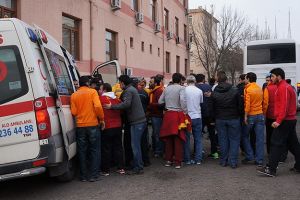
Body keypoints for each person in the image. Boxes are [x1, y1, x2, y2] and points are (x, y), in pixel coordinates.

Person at [258, 68, 300, 177]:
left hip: (285, 121)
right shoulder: (283, 87)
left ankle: (271, 169)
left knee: (275, 143)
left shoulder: (284, 87)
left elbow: (284, 106)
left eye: (272, 76)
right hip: (288, 120)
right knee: (293, 144)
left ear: (279, 76)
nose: (271, 79)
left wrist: (278, 121)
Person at [104, 75, 146, 175]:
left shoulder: (128, 91)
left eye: (120, 83)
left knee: (135, 146)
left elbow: (126, 104)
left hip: (137, 121)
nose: (119, 85)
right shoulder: (132, 89)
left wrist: (111, 106)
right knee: (136, 145)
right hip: (138, 120)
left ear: (123, 83)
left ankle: (138, 167)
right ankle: (137, 165)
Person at [70, 76, 104, 182]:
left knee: (82, 151)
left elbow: (74, 112)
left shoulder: (74, 95)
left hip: (80, 126)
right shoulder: (93, 92)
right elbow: (98, 107)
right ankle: (94, 175)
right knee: (95, 150)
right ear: (88, 83)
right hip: (93, 124)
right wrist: (101, 119)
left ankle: (83, 176)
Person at [209, 71, 242, 169]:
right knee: (234, 140)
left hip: (220, 119)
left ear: (217, 80)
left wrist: (212, 119)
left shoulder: (214, 93)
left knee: (223, 140)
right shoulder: (235, 90)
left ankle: (223, 160)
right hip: (233, 118)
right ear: (226, 79)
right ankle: (233, 161)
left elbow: (211, 108)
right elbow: (240, 106)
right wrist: (239, 115)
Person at [159, 73, 189, 169]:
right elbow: (183, 101)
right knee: (178, 139)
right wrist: (185, 111)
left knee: (168, 139)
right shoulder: (181, 88)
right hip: (178, 115)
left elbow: (160, 101)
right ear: (180, 80)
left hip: (168, 115)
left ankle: (168, 160)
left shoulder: (166, 88)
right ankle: (178, 162)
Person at [242, 72, 268, 167]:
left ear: (248, 79)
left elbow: (247, 104)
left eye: (245, 78)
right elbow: (265, 102)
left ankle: (250, 155)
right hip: (260, 114)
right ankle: (259, 160)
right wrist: (263, 113)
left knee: (244, 136)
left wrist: (245, 116)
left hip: (251, 116)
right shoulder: (260, 88)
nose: (245, 80)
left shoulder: (247, 89)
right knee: (260, 138)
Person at [99, 83, 125, 176]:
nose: (99, 91)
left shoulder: (101, 99)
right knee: (118, 147)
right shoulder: (117, 99)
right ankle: (121, 168)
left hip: (107, 126)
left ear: (105, 90)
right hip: (118, 126)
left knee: (106, 148)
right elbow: (122, 111)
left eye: (101, 89)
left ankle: (106, 170)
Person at [196, 73, 218, 159]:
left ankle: (198, 152)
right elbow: (212, 100)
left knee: (198, 134)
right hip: (209, 114)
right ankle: (214, 152)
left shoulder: (195, 87)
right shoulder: (208, 87)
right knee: (212, 134)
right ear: (203, 79)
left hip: (200, 114)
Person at [183, 75, 203, 165]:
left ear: (187, 82)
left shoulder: (184, 90)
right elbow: (201, 102)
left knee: (186, 139)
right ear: (195, 82)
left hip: (187, 117)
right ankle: (198, 159)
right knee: (198, 138)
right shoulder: (199, 91)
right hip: (197, 116)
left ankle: (187, 159)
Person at [148, 75, 164, 157]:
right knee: (155, 133)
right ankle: (156, 149)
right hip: (154, 115)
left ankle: (159, 151)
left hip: (157, 115)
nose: (149, 83)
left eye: (151, 82)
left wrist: (151, 105)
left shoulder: (159, 91)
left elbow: (161, 104)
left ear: (156, 83)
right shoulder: (153, 91)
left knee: (157, 134)